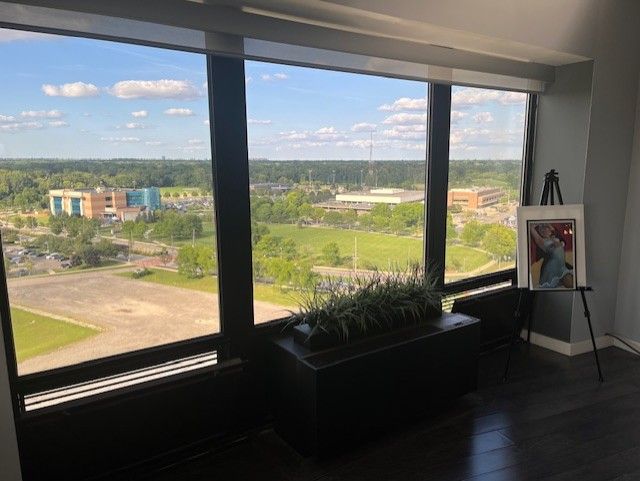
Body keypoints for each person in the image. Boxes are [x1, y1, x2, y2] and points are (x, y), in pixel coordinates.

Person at [529, 223, 574, 288]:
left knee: (571, 282)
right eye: (541, 229)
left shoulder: (555, 238)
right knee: (569, 282)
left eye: (545, 228)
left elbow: (553, 229)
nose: (543, 230)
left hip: (561, 267)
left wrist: (561, 243)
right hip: (551, 271)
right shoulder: (541, 241)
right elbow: (531, 228)